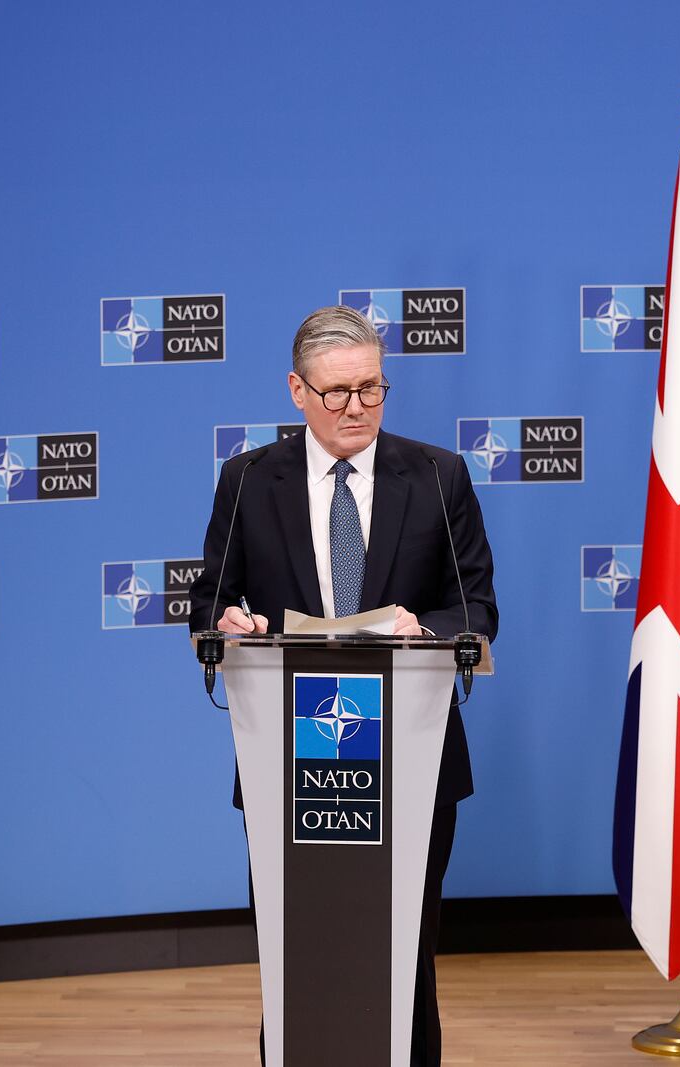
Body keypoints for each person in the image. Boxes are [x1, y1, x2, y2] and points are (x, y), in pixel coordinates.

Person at [189, 304, 497, 1066]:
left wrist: (425, 632)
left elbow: (477, 605)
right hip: (291, 763)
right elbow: (209, 601)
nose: (356, 407)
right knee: (296, 954)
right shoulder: (251, 479)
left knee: (404, 956)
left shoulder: (435, 474)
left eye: (372, 389)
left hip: (413, 757)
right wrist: (231, 622)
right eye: (337, 393)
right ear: (297, 390)